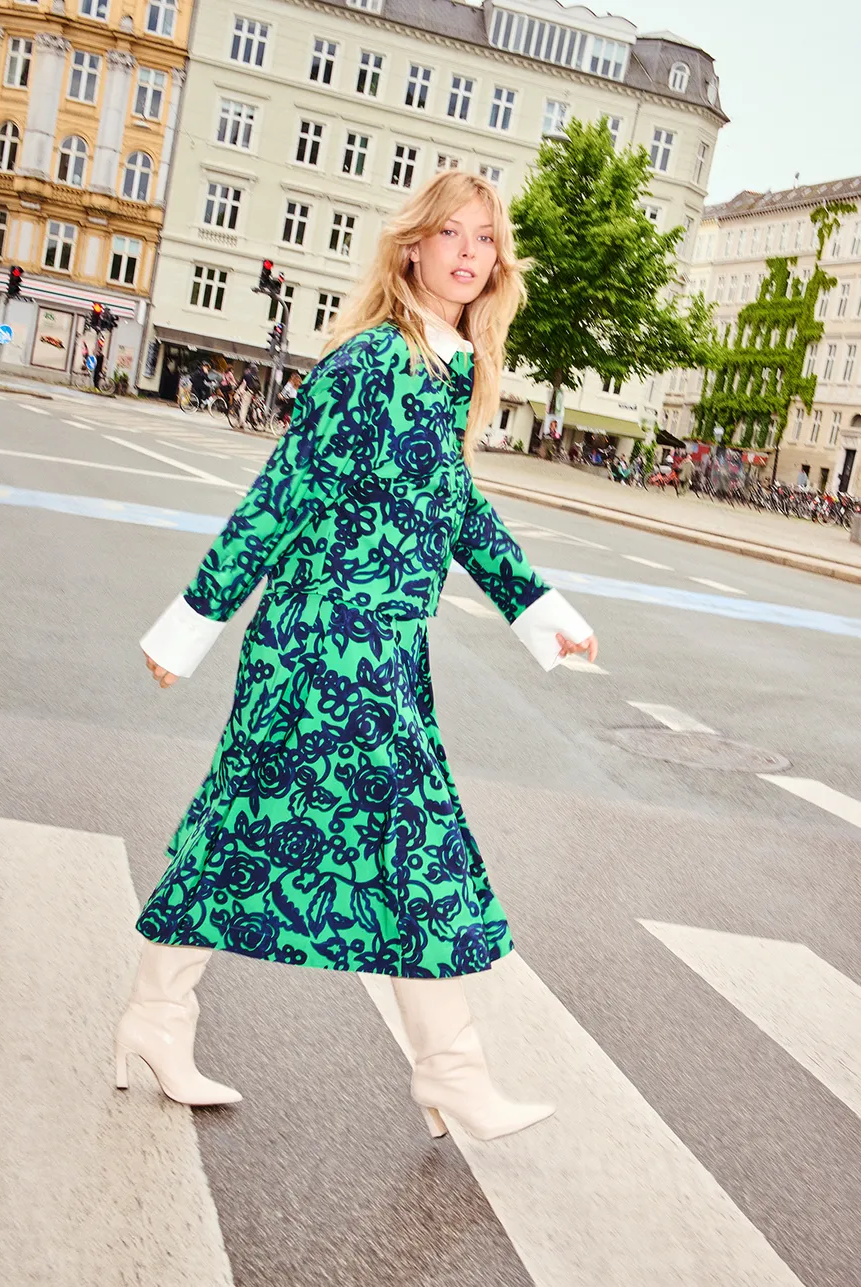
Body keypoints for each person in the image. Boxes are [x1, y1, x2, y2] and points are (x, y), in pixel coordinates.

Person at [118, 171, 597, 1139]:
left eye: (484, 239)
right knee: (413, 845)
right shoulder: (373, 364)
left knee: (238, 830)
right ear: (410, 247)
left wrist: (539, 610)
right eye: (449, 234)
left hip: (374, 650)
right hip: (327, 652)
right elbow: (281, 496)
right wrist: (190, 623)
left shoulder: (443, 367)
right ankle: (451, 1074)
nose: (469, 252)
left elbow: (451, 505)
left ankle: (154, 1019)